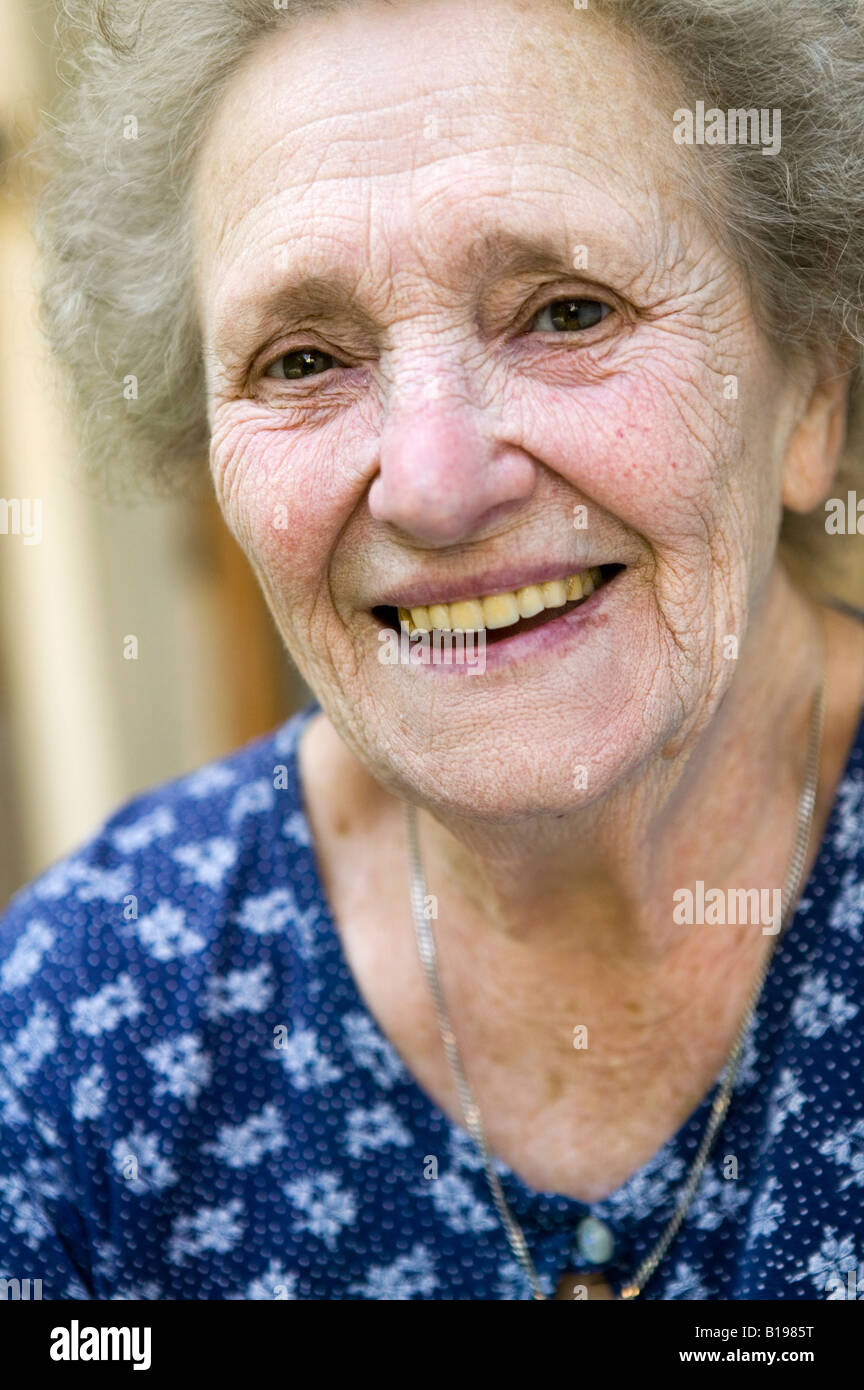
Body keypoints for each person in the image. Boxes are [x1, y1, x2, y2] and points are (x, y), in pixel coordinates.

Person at [1, 0, 863, 1300]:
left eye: (568, 313)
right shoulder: (83, 1020)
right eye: (303, 359)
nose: (434, 483)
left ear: (812, 389)